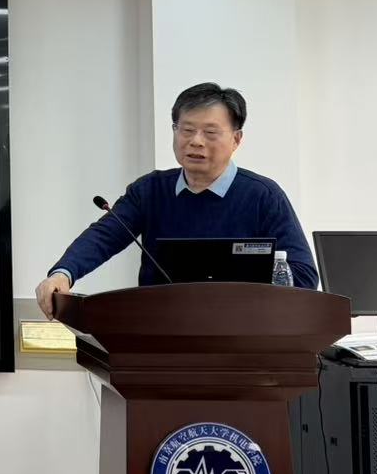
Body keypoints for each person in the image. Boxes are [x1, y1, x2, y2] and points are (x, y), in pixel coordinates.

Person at [35, 82, 316, 318]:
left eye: (210, 133)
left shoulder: (263, 196)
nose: (196, 141)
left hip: (242, 337)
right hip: (160, 333)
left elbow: (304, 275)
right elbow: (104, 236)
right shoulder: (150, 190)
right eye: (186, 129)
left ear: (236, 139)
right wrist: (63, 273)